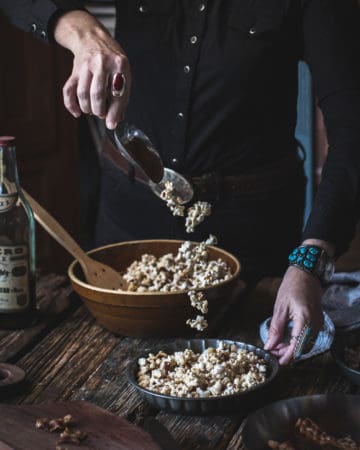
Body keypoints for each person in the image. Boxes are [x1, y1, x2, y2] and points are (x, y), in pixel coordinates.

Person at [1, 0, 359, 365]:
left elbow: (353, 132)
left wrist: (310, 262)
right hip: (127, 228)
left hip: (251, 244)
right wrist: (83, 33)